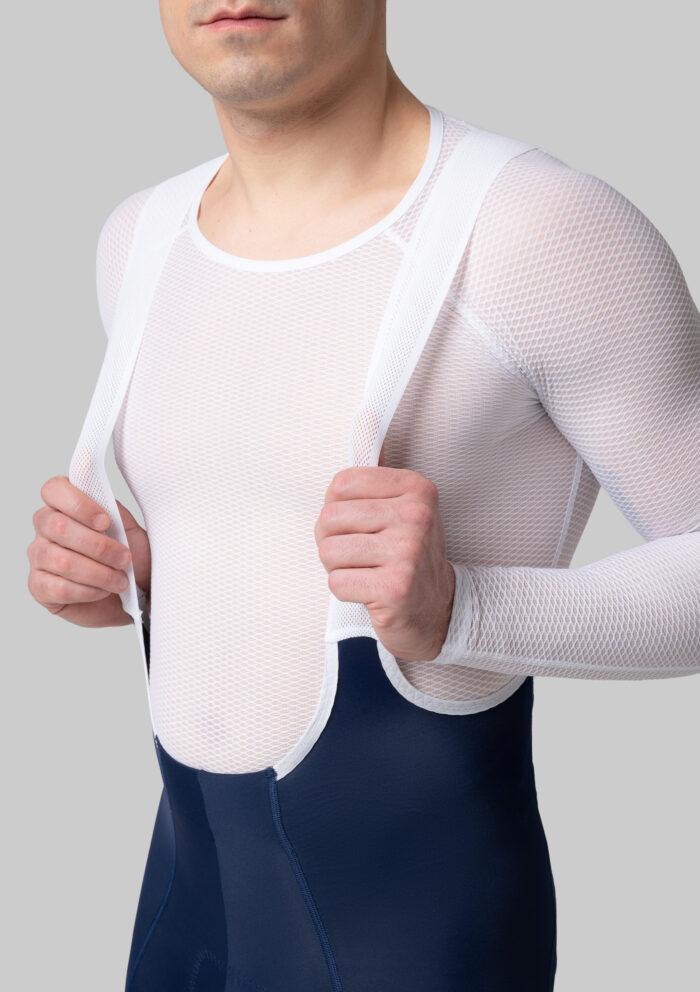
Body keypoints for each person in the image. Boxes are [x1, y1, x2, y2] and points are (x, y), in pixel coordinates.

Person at [27, 2, 699, 989]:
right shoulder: (141, 237)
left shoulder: (539, 232)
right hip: (183, 917)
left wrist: (465, 609)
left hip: (420, 931)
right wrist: (140, 579)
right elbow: (252, 533)